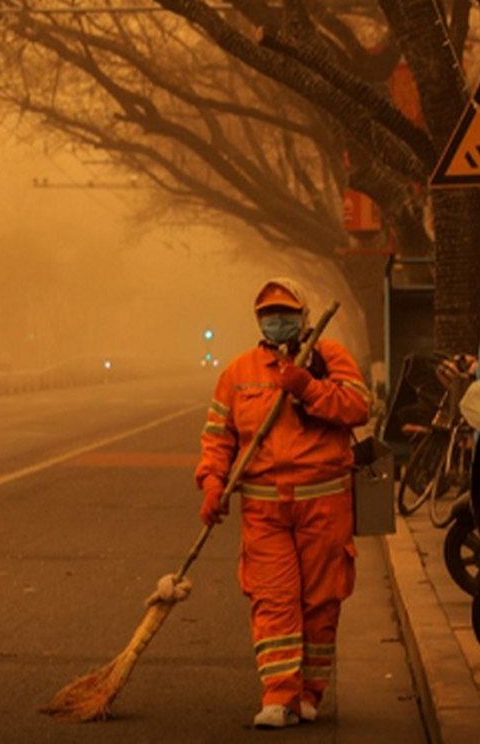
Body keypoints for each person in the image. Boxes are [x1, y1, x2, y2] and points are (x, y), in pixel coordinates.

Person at [195, 278, 371, 729]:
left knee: (319, 601)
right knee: (273, 599)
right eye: (268, 314)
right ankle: (278, 694)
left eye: (285, 312)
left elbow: (357, 407)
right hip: (264, 510)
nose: (277, 320)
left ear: (303, 315)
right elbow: (219, 437)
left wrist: (308, 387)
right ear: (258, 321)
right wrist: (213, 484)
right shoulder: (238, 372)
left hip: (324, 504)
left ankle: (309, 693)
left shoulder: (328, 359)